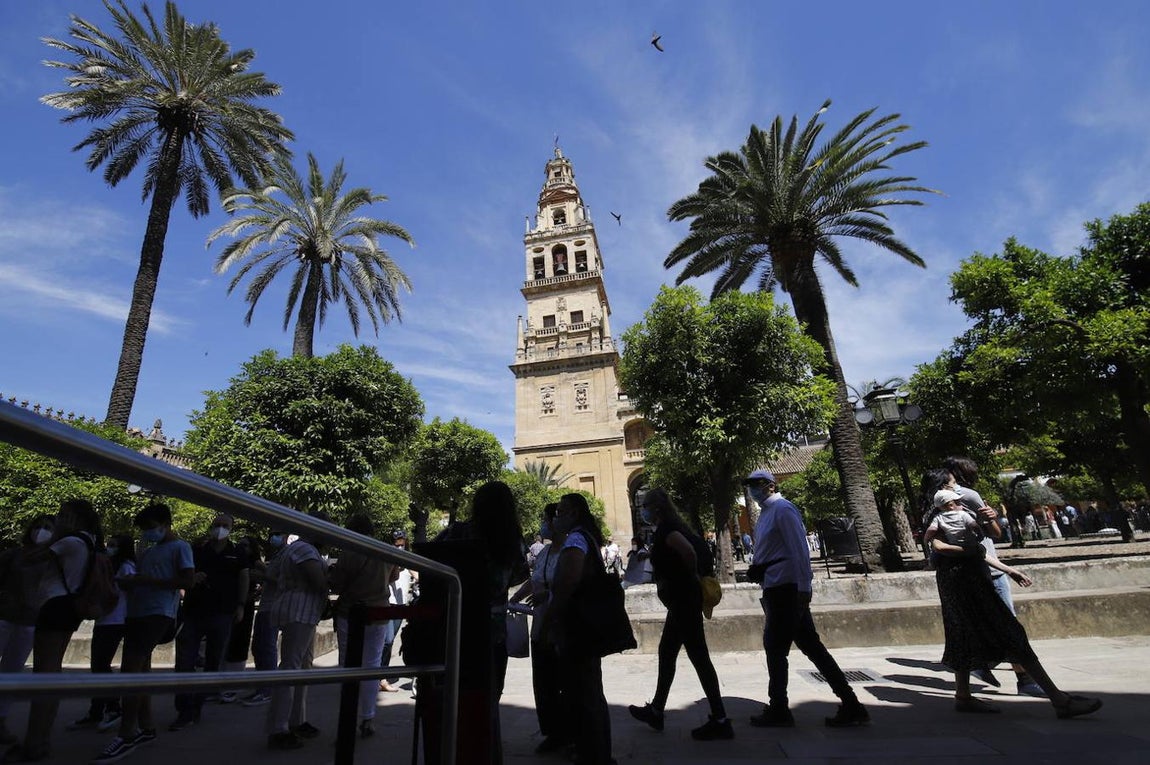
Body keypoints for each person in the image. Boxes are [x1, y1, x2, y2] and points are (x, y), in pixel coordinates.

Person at [925, 488, 1102, 718]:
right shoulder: (938, 518)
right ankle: (1059, 700)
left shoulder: (965, 513)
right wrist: (968, 550)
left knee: (964, 636)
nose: (958, 490)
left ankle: (963, 696)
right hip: (963, 584)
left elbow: (984, 545)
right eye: (952, 484)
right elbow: (941, 547)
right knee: (1009, 633)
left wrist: (1008, 569)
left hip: (967, 581)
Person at [743, 469, 870, 728]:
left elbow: (799, 550)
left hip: (787, 588)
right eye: (749, 485)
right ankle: (851, 703)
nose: (753, 489)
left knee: (776, 647)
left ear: (770, 485)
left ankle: (779, 707)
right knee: (811, 646)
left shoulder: (783, 510)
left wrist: (803, 589)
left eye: (757, 484)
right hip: (775, 585)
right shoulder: (766, 513)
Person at [92, 503, 194, 765]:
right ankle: (146, 726)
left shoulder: (180, 547)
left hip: (157, 612)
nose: (148, 532)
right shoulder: (150, 551)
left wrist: (145, 582)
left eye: (150, 527)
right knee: (141, 671)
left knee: (130, 671)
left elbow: (186, 581)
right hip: (137, 611)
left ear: (164, 523)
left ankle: (126, 733)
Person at [627, 488, 732, 741]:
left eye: (646, 506)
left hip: (684, 601)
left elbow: (688, 553)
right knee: (667, 652)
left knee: (699, 657)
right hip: (681, 603)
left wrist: (690, 578)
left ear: (657, 508)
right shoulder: (671, 527)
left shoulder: (668, 530)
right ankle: (656, 711)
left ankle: (720, 719)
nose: (644, 511)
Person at [437, 481, 529, 763]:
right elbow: (518, 576)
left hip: (459, 626)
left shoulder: (457, 532)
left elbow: (433, 561)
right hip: (494, 631)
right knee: (489, 697)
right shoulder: (512, 539)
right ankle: (488, 754)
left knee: (459, 693)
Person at [4, 500, 101, 763]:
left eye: (61, 515)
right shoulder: (88, 541)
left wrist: (53, 535)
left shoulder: (68, 542)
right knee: (53, 672)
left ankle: (34, 742)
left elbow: (31, 556)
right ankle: (41, 738)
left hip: (54, 605)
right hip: (69, 608)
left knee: (43, 676)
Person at [941, 456, 1044, 697]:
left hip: (975, 570)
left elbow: (989, 534)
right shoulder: (967, 497)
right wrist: (1008, 569)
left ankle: (975, 679)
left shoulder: (949, 503)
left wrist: (989, 518)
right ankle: (1027, 681)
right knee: (1009, 627)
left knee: (971, 629)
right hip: (989, 570)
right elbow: (992, 535)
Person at [545, 493, 614, 765]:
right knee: (590, 692)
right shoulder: (588, 536)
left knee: (584, 693)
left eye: (560, 512)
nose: (555, 518)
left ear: (573, 513)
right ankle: (597, 753)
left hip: (577, 626)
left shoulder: (575, 539)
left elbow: (567, 582)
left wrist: (551, 616)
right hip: (585, 625)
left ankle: (594, 755)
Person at [171, 513, 250, 731]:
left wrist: (241, 605)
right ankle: (184, 709)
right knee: (184, 662)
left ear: (232, 529)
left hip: (223, 613)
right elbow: (183, 574)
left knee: (213, 662)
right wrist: (191, 581)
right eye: (218, 525)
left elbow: (244, 578)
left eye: (225, 525)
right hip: (194, 612)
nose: (221, 529)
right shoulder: (197, 550)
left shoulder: (238, 553)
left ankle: (197, 705)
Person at [262, 515, 330, 751]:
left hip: (306, 613)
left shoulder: (303, 549)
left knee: (303, 666)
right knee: (290, 667)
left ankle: (296, 720)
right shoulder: (303, 549)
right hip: (297, 612)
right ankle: (278, 728)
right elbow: (319, 582)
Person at [509, 503, 570, 754]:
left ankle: (571, 734)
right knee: (543, 683)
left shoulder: (569, 551)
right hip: (540, 628)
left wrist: (549, 594)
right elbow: (534, 582)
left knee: (564, 682)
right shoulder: (544, 553)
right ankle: (553, 733)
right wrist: (514, 599)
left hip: (561, 628)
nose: (543, 524)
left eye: (546, 519)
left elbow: (569, 585)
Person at [329, 512, 392, 738]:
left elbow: (336, 585)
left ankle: (347, 717)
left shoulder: (349, 552)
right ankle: (368, 717)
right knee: (372, 665)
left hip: (350, 613)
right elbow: (393, 577)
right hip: (380, 612)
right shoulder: (386, 551)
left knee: (348, 665)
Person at [68, 533, 137, 732]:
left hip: (116, 620)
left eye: (114, 544)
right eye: (109, 544)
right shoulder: (109, 564)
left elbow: (127, 588)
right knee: (97, 665)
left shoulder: (125, 566)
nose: (110, 547)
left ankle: (113, 706)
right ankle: (96, 710)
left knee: (101, 665)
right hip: (104, 620)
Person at [0, 516, 54, 746]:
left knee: (12, 671)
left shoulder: (54, 560)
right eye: (38, 526)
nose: (41, 531)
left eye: (48, 528)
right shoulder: (14, 555)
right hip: (4, 616)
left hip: (30, 621)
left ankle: (1, 720)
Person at [378, 530, 411, 693]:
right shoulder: (388, 559)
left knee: (388, 643)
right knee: (388, 640)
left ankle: (380, 674)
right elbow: (391, 578)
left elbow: (417, 574)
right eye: (396, 544)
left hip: (401, 605)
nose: (400, 547)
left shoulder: (409, 559)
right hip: (388, 603)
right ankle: (381, 677)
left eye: (402, 544)